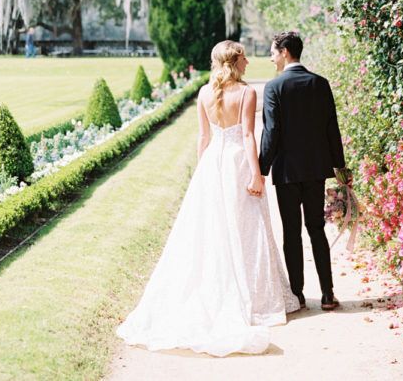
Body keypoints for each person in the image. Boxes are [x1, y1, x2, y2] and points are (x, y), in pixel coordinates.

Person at [116, 40, 299, 357]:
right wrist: (256, 174)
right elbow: (246, 136)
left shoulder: (204, 93)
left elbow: (203, 138)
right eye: (244, 58)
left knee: (213, 229)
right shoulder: (246, 93)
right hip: (238, 163)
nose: (248, 64)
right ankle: (255, 300)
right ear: (236, 61)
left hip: (213, 163)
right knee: (249, 228)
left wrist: (202, 174)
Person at [259, 31, 347, 311]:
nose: (271, 56)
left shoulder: (274, 87)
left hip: (286, 172)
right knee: (316, 230)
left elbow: (271, 132)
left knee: (292, 232)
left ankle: (297, 295)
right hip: (315, 170)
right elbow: (331, 128)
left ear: (285, 52)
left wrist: (261, 168)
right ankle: (327, 293)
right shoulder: (320, 84)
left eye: (273, 51)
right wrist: (340, 166)